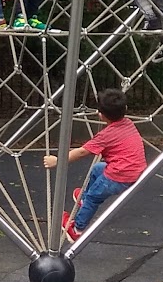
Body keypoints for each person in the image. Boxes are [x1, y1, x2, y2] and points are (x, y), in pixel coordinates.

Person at [43, 86, 146, 239]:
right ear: (125, 108)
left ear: (100, 115)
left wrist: (57, 161)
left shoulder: (106, 135)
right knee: (98, 168)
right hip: (135, 171)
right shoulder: (128, 123)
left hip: (118, 177)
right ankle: (84, 198)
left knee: (94, 197)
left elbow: (82, 152)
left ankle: (77, 229)